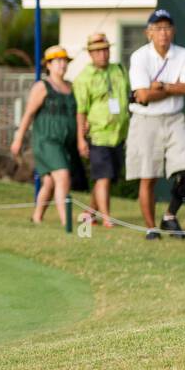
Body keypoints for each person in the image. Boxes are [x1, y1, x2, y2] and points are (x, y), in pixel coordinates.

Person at [126, 9, 185, 240]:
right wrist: (167, 88)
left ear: (173, 31)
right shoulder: (139, 56)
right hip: (146, 120)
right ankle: (150, 228)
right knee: (149, 176)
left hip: (174, 118)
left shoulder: (184, 55)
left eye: (167, 27)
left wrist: (162, 87)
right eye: (158, 28)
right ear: (149, 33)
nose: (163, 33)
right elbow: (143, 96)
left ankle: (169, 217)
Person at [11, 46, 77, 226]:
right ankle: (66, 222)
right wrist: (18, 138)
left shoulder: (71, 86)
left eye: (64, 61)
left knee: (49, 182)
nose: (62, 65)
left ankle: (37, 217)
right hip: (46, 141)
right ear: (48, 65)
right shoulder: (42, 86)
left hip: (64, 143)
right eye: (57, 61)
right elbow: (28, 114)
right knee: (62, 176)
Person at [73, 33, 130, 228]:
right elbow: (80, 111)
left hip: (118, 133)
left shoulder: (119, 70)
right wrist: (80, 138)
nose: (103, 55)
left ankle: (90, 212)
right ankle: (107, 219)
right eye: (98, 51)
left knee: (109, 177)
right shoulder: (84, 78)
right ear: (90, 53)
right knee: (103, 176)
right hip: (98, 134)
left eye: (105, 50)